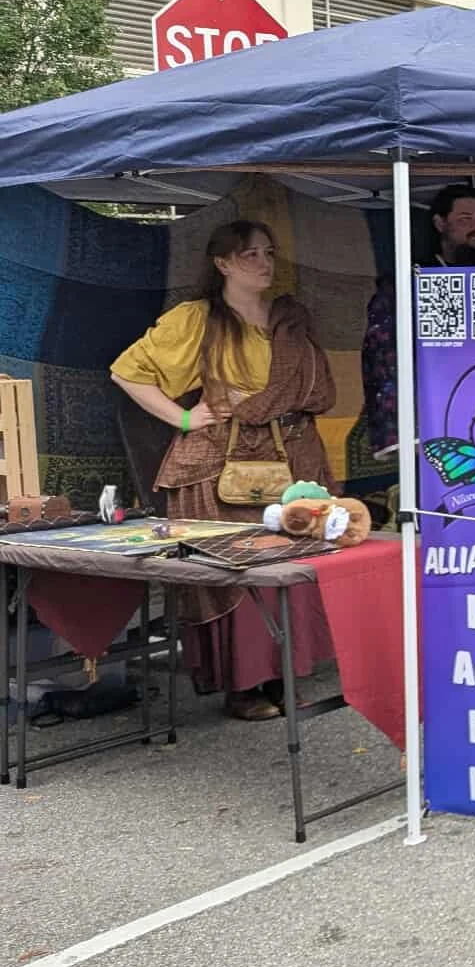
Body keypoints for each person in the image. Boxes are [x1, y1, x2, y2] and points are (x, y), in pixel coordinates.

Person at [111, 221, 338, 721]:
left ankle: (285, 675)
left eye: (268, 252)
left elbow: (319, 389)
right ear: (223, 264)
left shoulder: (290, 318)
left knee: (290, 565)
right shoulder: (198, 318)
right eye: (250, 254)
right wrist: (186, 417)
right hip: (222, 467)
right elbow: (127, 371)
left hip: (294, 456)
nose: (264, 263)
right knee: (237, 573)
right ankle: (244, 684)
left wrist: (266, 406)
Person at [362, 185, 475, 457]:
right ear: (439, 223)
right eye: (465, 219)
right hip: (432, 417)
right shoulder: (407, 283)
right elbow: (384, 356)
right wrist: (397, 430)